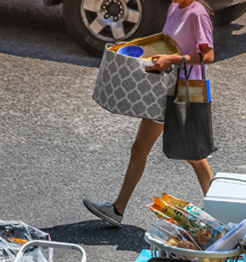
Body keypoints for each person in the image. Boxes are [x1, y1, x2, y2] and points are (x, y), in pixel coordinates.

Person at [83, 0, 215, 227]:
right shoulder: (175, 7)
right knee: (140, 148)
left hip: (183, 92)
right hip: (164, 89)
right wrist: (139, 46)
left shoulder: (197, 14)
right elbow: (168, 44)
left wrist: (171, 60)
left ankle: (220, 209)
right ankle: (117, 209)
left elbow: (209, 55)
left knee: (194, 155)